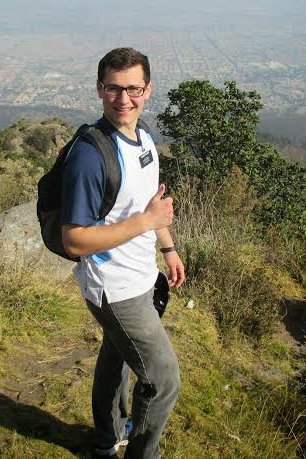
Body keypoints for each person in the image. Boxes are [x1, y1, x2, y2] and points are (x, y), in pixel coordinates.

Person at [61, 47, 186, 458]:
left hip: (141, 276)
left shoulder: (143, 136)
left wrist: (168, 248)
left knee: (115, 357)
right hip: (114, 289)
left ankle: (107, 439)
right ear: (99, 89)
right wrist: (147, 222)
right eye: (113, 89)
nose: (123, 99)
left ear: (148, 89)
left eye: (133, 89)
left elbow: (150, 204)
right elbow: (74, 240)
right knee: (163, 379)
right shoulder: (90, 155)